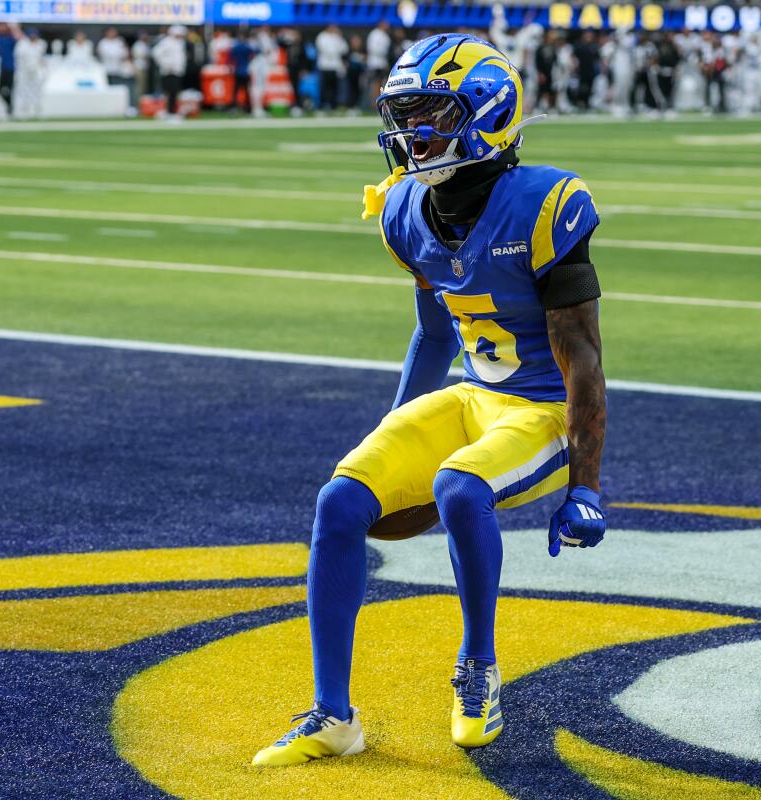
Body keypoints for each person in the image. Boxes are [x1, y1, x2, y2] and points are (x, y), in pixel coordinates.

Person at [252, 33, 607, 767]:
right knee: (341, 501)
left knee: (457, 486)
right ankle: (333, 715)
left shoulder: (544, 204)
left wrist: (587, 486)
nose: (412, 135)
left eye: (431, 116)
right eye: (404, 117)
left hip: (542, 410)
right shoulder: (406, 210)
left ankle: (479, 670)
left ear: (487, 112)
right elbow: (433, 336)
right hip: (472, 395)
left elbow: (584, 360)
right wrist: (394, 436)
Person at [12, 27, 47, 119]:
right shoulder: (22, 44)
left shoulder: (41, 44)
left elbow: (41, 58)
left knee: (37, 89)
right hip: (23, 70)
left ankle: (37, 108)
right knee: (22, 89)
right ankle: (23, 110)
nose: (33, 37)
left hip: (36, 69)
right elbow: (17, 58)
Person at [152, 25, 186, 118]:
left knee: (175, 93)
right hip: (169, 71)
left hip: (177, 71)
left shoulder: (179, 43)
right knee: (170, 93)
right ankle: (170, 112)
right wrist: (166, 64)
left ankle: (172, 111)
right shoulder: (166, 42)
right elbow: (155, 53)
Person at [314, 23, 348, 110]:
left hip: (335, 66)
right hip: (324, 66)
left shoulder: (337, 37)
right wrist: (335, 52)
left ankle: (334, 106)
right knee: (324, 87)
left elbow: (344, 49)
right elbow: (325, 50)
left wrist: (340, 37)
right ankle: (322, 105)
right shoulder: (321, 37)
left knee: (335, 88)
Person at [229, 30, 256, 113]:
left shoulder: (235, 47)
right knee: (246, 90)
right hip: (245, 71)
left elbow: (231, 58)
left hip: (238, 71)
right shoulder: (246, 47)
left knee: (236, 90)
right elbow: (255, 53)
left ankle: (234, 107)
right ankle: (247, 108)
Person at [365, 20, 390, 102]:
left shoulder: (385, 36)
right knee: (375, 83)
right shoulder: (374, 34)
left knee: (382, 83)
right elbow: (373, 49)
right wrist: (382, 53)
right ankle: (375, 103)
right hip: (375, 63)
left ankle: (382, 102)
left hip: (382, 63)